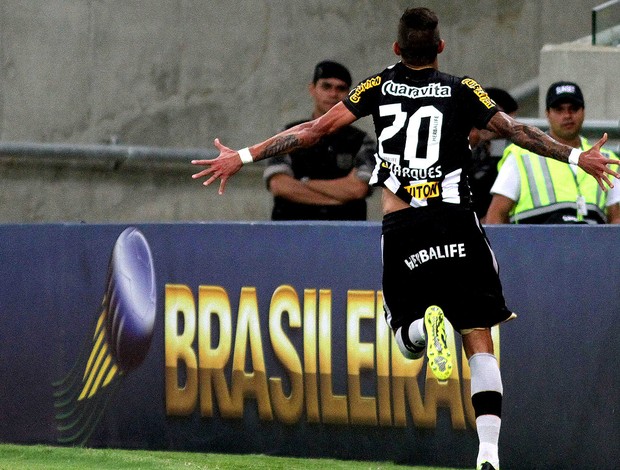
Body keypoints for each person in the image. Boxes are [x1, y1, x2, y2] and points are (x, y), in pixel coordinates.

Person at [191, 8, 619, 470]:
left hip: (404, 225)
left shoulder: (376, 87)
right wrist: (577, 158)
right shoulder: (461, 88)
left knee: (405, 338)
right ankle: (489, 454)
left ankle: (421, 326)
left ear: (396, 49)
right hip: (457, 222)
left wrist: (244, 154)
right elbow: (516, 131)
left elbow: (313, 131)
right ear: (440, 48)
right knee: (479, 338)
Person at [485, 81, 620, 224]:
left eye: (573, 108)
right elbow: (496, 216)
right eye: (559, 109)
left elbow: (616, 218)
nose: (567, 115)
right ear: (547, 114)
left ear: (583, 111)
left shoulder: (605, 158)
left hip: (591, 244)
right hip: (535, 244)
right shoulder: (520, 155)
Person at [263, 61, 376, 220]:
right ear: (312, 89)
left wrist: (304, 182)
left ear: (350, 95)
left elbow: (358, 189)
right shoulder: (287, 135)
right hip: (290, 234)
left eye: (341, 88)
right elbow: (279, 185)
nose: (333, 94)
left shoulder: (362, 141)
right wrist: (336, 198)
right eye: (326, 86)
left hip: (345, 236)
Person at [468, 88, 519, 220]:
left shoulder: (516, 153)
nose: (484, 120)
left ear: (510, 116)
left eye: (492, 113)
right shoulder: (474, 153)